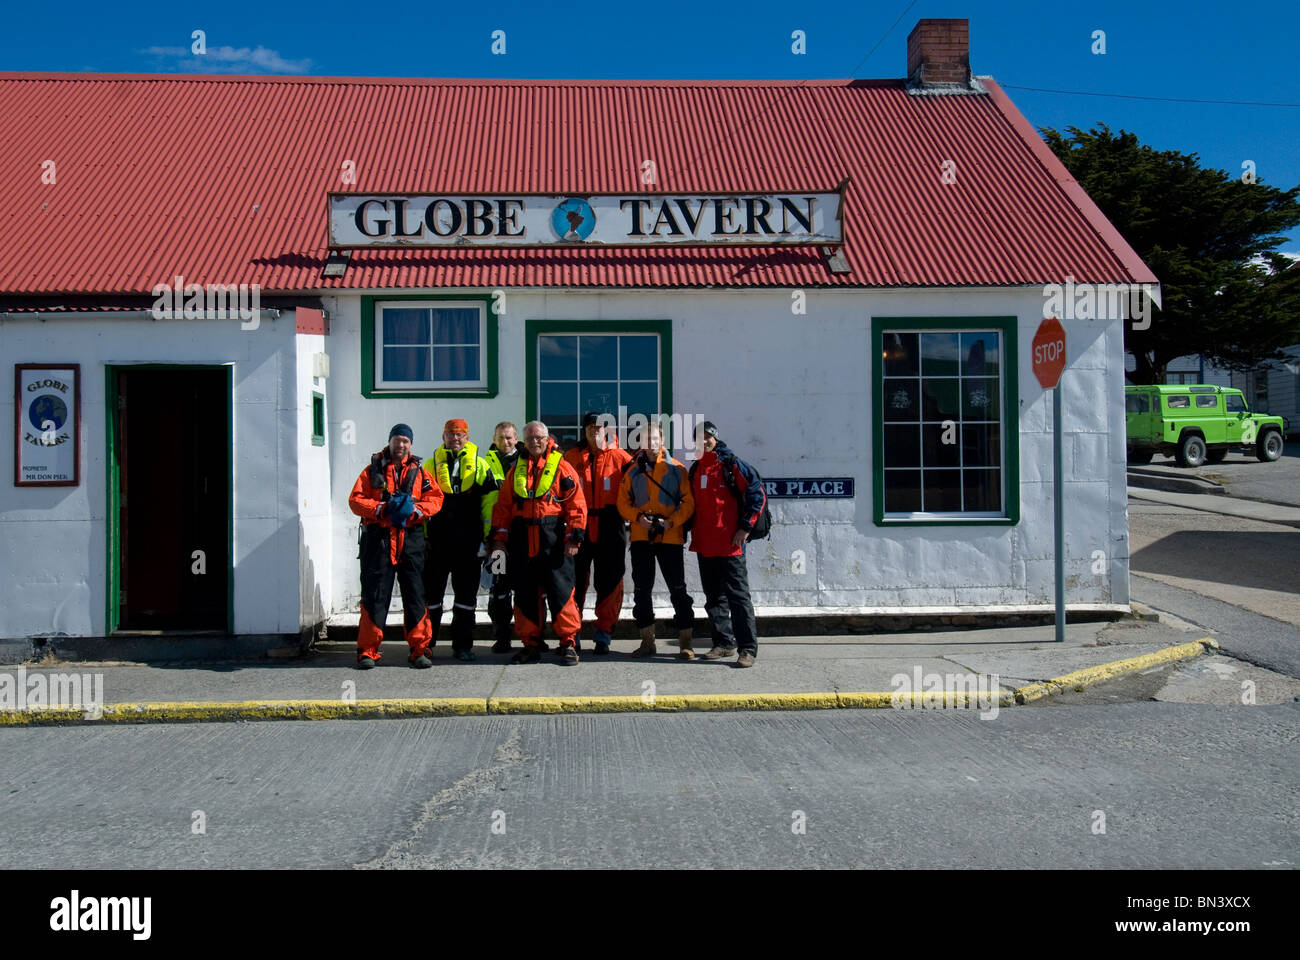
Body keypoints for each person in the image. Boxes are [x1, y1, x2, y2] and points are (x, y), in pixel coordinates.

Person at [488, 421, 588, 665]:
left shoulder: (562, 468)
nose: (535, 442)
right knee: (524, 594)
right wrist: (499, 541)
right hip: (522, 539)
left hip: (553, 538)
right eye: (530, 438)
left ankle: (568, 643)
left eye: (539, 438)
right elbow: (502, 508)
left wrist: (574, 537)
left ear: (547, 439)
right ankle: (531, 643)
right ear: (525, 440)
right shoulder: (516, 471)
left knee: (561, 592)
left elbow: (577, 505)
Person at [347, 423, 443, 669]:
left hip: (411, 539)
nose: (401, 445)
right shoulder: (371, 471)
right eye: (397, 440)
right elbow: (356, 500)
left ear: (411, 445)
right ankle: (368, 651)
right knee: (375, 595)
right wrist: (379, 509)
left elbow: (436, 499)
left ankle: (419, 649)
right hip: (378, 539)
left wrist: (415, 511)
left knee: (415, 594)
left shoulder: (420, 473)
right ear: (390, 441)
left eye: (405, 441)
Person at [688, 420, 766, 668]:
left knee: (739, 598)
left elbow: (757, 493)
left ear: (716, 438)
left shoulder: (732, 465)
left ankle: (747, 649)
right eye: (699, 438)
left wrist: (745, 527)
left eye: (708, 437)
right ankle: (723, 643)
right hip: (705, 545)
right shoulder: (695, 469)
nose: (704, 441)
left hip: (731, 546)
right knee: (714, 599)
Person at [617, 419, 696, 658]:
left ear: (662, 441)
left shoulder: (677, 469)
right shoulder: (632, 470)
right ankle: (647, 642)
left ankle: (685, 642)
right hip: (641, 535)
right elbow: (622, 502)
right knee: (642, 590)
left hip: (670, 536)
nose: (651, 443)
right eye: (646, 439)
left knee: (678, 589)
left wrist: (671, 522)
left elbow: (688, 502)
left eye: (655, 439)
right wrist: (637, 518)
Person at [421, 418, 499, 662]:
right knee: (431, 599)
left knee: (466, 600)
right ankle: (425, 645)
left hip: (469, 544)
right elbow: (420, 505)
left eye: (460, 434)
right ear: (443, 436)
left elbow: (489, 505)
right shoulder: (429, 466)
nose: (455, 438)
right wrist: (422, 539)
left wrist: (489, 539)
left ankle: (462, 645)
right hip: (436, 544)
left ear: (467, 437)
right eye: (451, 434)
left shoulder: (481, 465)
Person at [563, 411, 631, 655]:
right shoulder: (570, 458)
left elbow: (636, 492)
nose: (595, 430)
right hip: (578, 526)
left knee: (610, 582)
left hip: (611, 525)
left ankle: (604, 634)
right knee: (575, 582)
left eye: (600, 426)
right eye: (590, 426)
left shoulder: (622, 457)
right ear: (584, 430)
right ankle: (574, 633)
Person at [482, 421, 523, 653]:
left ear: (516, 438)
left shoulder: (528, 461)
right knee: (499, 589)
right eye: (500, 438)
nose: (505, 442)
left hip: (524, 537)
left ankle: (531, 635)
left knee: (527, 588)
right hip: (496, 539)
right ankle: (502, 635)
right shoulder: (483, 464)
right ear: (494, 439)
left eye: (509, 438)